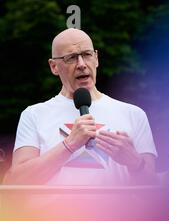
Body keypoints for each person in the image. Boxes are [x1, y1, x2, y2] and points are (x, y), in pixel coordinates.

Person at [3, 28, 157, 186]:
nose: (81, 64)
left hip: (117, 211)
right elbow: (17, 182)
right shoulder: (33, 115)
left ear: (96, 58)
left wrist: (134, 162)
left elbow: (153, 189)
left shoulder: (133, 114)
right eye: (71, 58)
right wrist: (69, 145)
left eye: (87, 55)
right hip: (52, 212)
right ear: (54, 66)